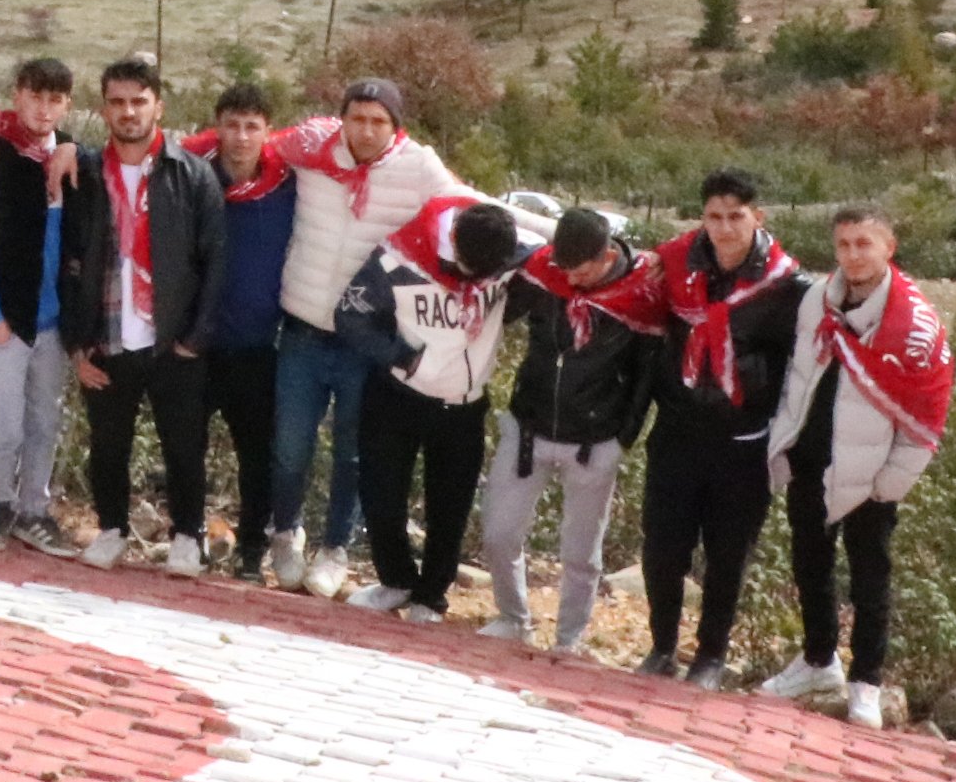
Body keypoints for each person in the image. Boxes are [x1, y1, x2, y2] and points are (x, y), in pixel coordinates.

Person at [261, 81, 463, 597]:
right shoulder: (313, 150)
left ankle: (334, 549)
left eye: (378, 120)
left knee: (352, 453)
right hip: (302, 329)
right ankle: (284, 533)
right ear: (342, 118)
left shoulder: (418, 167)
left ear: (395, 125)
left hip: (365, 340)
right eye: (358, 118)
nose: (366, 129)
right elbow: (245, 145)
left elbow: (468, 206)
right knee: (290, 446)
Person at [760, 205, 956, 729]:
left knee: (870, 578)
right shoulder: (816, 301)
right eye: (844, 245)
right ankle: (818, 661)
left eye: (864, 244)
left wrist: (889, 484)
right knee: (811, 565)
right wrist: (787, 438)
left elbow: (927, 410)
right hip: (813, 457)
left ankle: (866, 682)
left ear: (888, 248)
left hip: (871, 474)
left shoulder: (913, 325)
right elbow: (799, 374)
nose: (852, 255)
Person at [636, 171, 809, 688]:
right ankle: (662, 644)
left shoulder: (787, 287)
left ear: (759, 218)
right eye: (715, 216)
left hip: (743, 439)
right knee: (663, 546)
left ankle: (711, 654)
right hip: (678, 430)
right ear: (702, 219)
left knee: (728, 554)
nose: (726, 227)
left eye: (737, 216)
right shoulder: (679, 265)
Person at [60, 57, 228, 576]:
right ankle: (111, 530)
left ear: (159, 104)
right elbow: (67, 262)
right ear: (103, 107)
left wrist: (195, 340)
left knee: (184, 447)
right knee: (108, 446)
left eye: (139, 101)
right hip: (107, 336)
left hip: (171, 340)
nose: (128, 112)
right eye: (117, 102)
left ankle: (187, 537)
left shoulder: (192, 175)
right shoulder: (83, 173)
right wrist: (76, 342)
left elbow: (215, 261)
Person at [479, 208, 667, 657]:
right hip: (530, 425)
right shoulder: (547, 276)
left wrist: (624, 436)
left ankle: (570, 637)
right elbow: (497, 311)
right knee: (499, 532)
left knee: (582, 552)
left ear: (606, 256)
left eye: (580, 271)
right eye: (563, 269)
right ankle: (513, 618)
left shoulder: (642, 291)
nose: (571, 280)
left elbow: (647, 372)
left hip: (595, 438)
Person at [333, 198, 525, 622]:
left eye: (487, 272)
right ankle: (396, 581)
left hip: (463, 405)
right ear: (453, 239)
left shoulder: (510, 256)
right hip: (397, 394)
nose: (475, 279)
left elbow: (560, 265)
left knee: (450, 506)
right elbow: (349, 315)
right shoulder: (398, 255)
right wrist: (403, 356)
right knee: (381, 494)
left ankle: (431, 596)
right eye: (468, 266)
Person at [0, 57, 78, 553]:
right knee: (3, 422)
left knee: (45, 420)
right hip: (2, 319)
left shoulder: (66, 157)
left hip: (50, 320)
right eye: (35, 97)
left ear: (66, 104)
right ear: (17, 95)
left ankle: (34, 510)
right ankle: (0, 504)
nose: (43, 110)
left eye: (55, 100)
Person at [187, 87, 296, 578]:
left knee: (258, 458)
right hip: (197, 344)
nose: (241, 137)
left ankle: (251, 553)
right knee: (185, 446)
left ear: (268, 131)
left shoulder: (286, 187)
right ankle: (186, 538)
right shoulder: (192, 179)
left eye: (253, 126)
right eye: (232, 125)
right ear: (218, 127)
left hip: (257, 347)